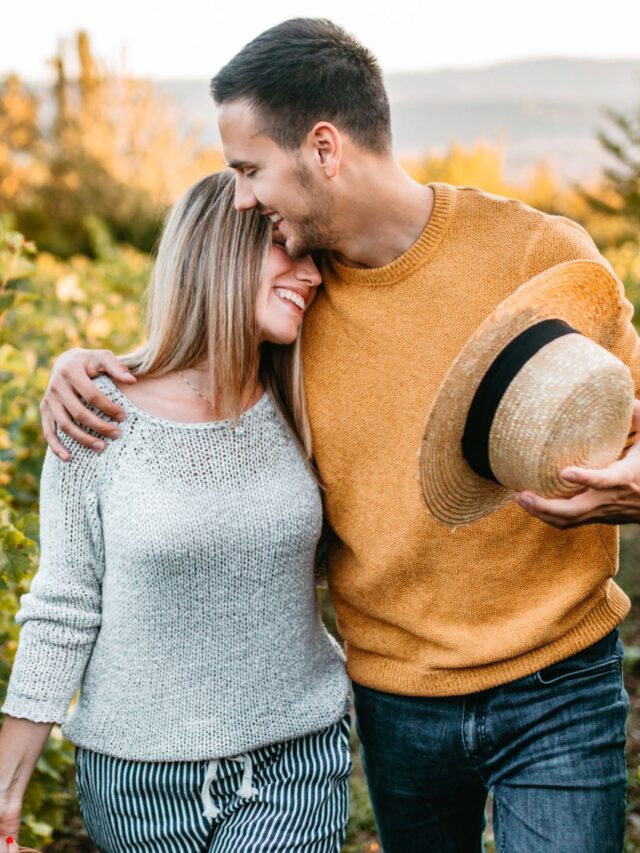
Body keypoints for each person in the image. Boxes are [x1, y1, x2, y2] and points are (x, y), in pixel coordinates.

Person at [35, 18, 640, 853]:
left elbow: (629, 416)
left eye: (250, 169)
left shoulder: (541, 252)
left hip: (559, 681)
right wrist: (84, 366)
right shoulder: (294, 311)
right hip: (398, 698)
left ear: (324, 148)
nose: (243, 197)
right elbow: (196, 371)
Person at [0, 170, 352, 853]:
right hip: (135, 782)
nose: (311, 274)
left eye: (317, 256)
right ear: (218, 250)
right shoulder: (97, 412)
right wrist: (6, 787)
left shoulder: (305, 397)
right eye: (287, 246)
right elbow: (65, 602)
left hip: (295, 761)